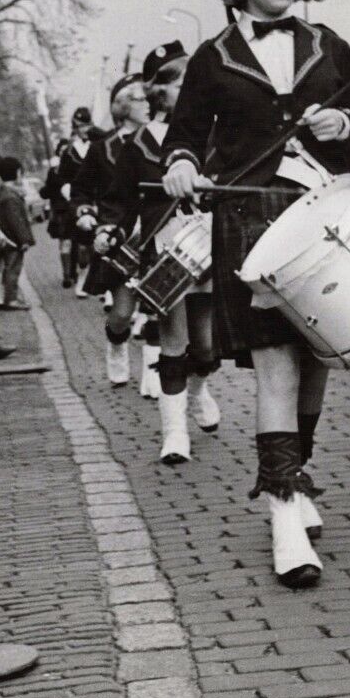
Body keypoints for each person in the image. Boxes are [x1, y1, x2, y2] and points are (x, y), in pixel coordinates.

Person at [163, 0, 350, 589]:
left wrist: (344, 122)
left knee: (318, 362)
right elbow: (184, 134)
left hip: (323, 220)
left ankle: (294, 471)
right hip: (250, 222)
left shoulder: (330, 46)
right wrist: (179, 164)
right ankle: (285, 515)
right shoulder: (212, 59)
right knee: (276, 374)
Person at [99, 40, 220, 462]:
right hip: (166, 254)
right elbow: (119, 199)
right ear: (158, 93)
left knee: (205, 347)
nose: (186, 91)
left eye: (192, 82)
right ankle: (174, 433)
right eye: (176, 84)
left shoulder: (215, 136)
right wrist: (109, 228)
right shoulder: (139, 146)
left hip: (208, 250)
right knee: (174, 343)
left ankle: (200, 390)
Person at [78, 73, 150, 386]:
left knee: (160, 310)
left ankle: (157, 374)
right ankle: (116, 344)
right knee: (122, 312)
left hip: (155, 229)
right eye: (140, 99)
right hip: (119, 236)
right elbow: (81, 190)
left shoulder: (161, 140)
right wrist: (83, 213)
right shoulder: (101, 148)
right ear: (122, 105)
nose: (148, 104)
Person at [46, 107, 96, 289]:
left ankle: (91, 275)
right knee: (73, 240)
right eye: (79, 126)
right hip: (75, 199)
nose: (83, 130)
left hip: (95, 198)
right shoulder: (69, 151)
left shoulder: (96, 146)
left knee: (93, 242)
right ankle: (74, 276)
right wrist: (69, 192)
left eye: (86, 126)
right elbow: (63, 177)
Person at [0, 156, 37, 309]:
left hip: (8, 238)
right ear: (17, 173)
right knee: (13, 269)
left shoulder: (4, 192)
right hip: (13, 241)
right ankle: (11, 299)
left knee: (10, 268)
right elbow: (16, 221)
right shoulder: (11, 196)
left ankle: (11, 296)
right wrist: (24, 240)